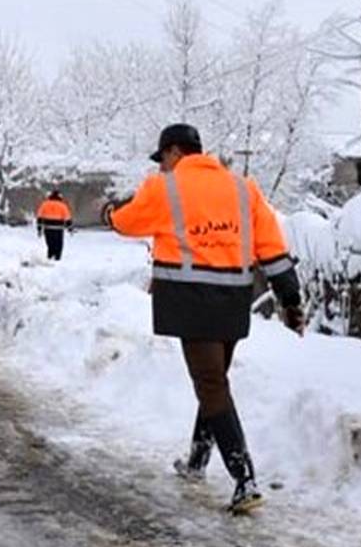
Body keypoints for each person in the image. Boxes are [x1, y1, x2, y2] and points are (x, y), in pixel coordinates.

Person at [108, 123, 305, 515]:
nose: (162, 166)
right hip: (233, 300)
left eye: (163, 158)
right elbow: (271, 246)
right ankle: (197, 461)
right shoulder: (242, 187)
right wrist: (291, 299)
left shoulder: (163, 187)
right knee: (214, 380)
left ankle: (244, 480)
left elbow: (127, 223)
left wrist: (109, 213)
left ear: (175, 153)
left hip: (189, 299)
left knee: (211, 384)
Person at [35, 190, 73, 261]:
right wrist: (70, 228)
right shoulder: (62, 205)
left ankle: (50, 255)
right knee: (58, 244)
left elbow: (39, 216)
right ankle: (57, 257)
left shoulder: (45, 204)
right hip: (58, 228)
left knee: (50, 243)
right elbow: (67, 217)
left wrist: (39, 229)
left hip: (48, 227)